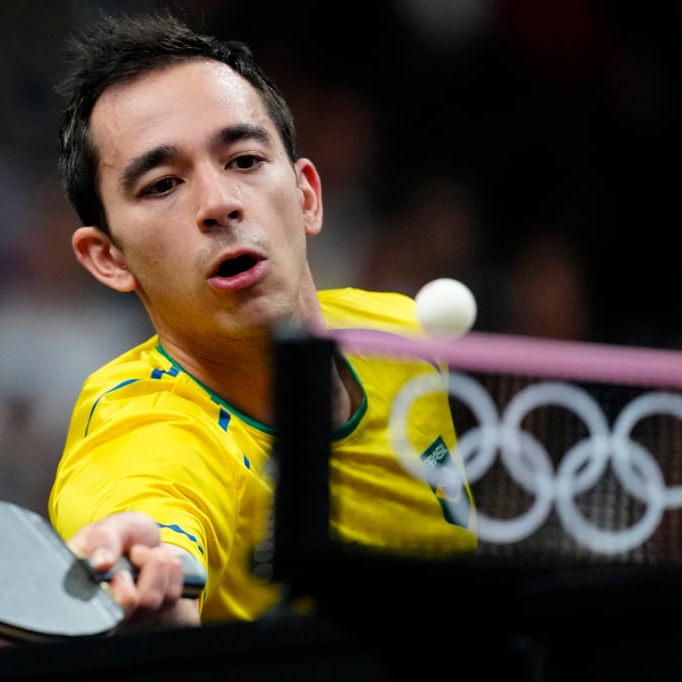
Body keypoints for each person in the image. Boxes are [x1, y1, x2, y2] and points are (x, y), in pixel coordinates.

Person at [48, 7, 477, 630]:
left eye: (244, 160)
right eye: (163, 185)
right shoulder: (142, 430)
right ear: (109, 258)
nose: (219, 203)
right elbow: (148, 527)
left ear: (306, 197)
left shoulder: (404, 336)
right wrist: (150, 581)